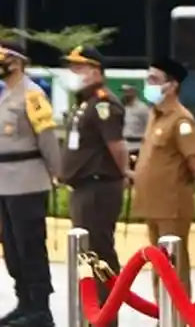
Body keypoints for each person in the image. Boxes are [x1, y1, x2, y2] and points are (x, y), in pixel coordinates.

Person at [131, 57, 195, 297]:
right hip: (153, 205)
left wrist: (182, 189)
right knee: (158, 264)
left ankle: (179, 313)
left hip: (172, 206)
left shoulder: (181, 119)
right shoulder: (155, 115)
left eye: (154, 79)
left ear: (171, 86)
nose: (148, 84)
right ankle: (163, 312)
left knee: (174, 264)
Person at [60, 46, 129, 303]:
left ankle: (106, 311)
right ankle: (91, 309)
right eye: (71, 67)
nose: (73, 72)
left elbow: (116, 146)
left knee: (99, 252)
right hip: (83, 188)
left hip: (98, 187)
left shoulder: (103, 103)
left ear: (96, 71)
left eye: (79, 67)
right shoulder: (86, 102)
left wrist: (123, 173)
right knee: (86, 253)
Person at [0, 42, 60, 327]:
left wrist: (57, 172)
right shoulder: (4, 94)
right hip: (4, 182)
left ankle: (40, 308)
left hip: (27, 181)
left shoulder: (32, 95)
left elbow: (47, 138)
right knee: (12, 248)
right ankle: (23, 302)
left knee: (30, 245)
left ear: (17, 61)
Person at [121, 84, 150, 166]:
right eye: (124, 92)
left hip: (137, 146)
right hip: (124, 145)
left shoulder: (142, 108)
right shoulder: (122, 107)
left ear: (134, 92)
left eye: (128, 92)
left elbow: (149, 125)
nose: (126, 94)